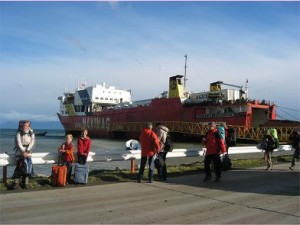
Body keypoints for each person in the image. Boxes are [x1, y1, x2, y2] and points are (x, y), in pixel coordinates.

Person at [13, 120, 35, 189]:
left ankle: (25, 183)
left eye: (26, 125)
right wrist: (23, 152)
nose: (25, 127)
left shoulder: (31, 133)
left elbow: (33, 143)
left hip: (28, 153)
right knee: (18, 168)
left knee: (27, 168)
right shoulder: (18, 133)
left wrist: (27, 151)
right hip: (19, 153)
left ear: (29, 126)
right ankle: (16, 183)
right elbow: (18, 143)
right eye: (24, 125)